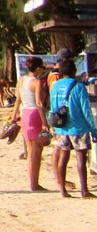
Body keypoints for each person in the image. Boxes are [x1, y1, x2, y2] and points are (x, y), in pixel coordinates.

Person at [48, 53, 94, 198]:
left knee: (64, 157)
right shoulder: (79, 87)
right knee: (81, 158)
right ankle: (84, 191)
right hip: (79, 127)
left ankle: (62, 190)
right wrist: (93, 128)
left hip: (62, 128)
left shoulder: (55, 86)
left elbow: (53, 107)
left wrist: (54, 127)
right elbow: (86, 109)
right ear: (74, 71)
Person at [9, 59, 50, 191]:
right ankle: (34, 183)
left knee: (30, 150)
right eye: (42, 68)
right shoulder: (36, 82)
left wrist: (13, 117)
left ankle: (32, 182)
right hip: (35, 114)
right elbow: (39, 103)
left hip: (25, 113)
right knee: (37, 151)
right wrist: (44, 122)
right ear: (38, 69)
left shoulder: (21, 80)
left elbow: (18, 101)